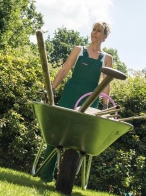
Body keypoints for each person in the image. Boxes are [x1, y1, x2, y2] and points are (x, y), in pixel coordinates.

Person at [40, 21, 113, 182]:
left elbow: (106, 84)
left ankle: (66, 179)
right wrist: (52, 88)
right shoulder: (79, 50)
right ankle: (46, 175)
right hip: (70, 94)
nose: (94, 33)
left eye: (99, 31)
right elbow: (65, 69)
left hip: (90, 99)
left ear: (105, 37)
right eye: (93, 29)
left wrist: (105, 107)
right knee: (57, 133)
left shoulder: (107, 58)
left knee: (80, 138)